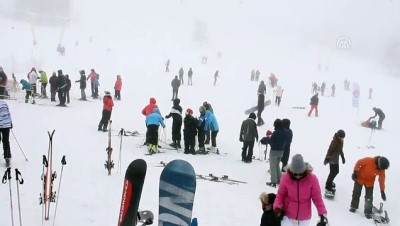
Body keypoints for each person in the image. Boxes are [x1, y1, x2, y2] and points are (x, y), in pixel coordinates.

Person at [274, 154, 328, 226]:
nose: (298, 176)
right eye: (295, 174)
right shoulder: (285, 178)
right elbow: (280, 195)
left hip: (304, 218)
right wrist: (277, 207)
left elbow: (317, 198)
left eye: (300, 174)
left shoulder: (312, 179)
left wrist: (322, 214)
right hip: (288, 216)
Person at [261, 119, 286, 187]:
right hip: (281, 151)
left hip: (274, 151)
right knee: (277, 165)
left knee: (272, 166)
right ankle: (279, 179)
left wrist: (266, 140)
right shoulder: (284, 132)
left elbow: (271, 141)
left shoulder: (276, 132)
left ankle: (273, 182)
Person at [323, 130, 346, 196]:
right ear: (338, 136)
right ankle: (328, 187)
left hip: (336, 159)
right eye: (341, 137)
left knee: (334, 172)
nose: (342, 139)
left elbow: (340, 149)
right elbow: (329, 150)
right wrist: (326, 159)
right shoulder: (334, 142)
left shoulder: (340, 141)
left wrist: (343, 157)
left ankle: (329, 183)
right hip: (332, 159)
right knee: (334, 172)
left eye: (343, 138)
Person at [0, 100, 13, 167]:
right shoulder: (4, 103)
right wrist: (10, 122)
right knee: (6, 141)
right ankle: (7, 157)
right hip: (6, 124)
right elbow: (8, 113)